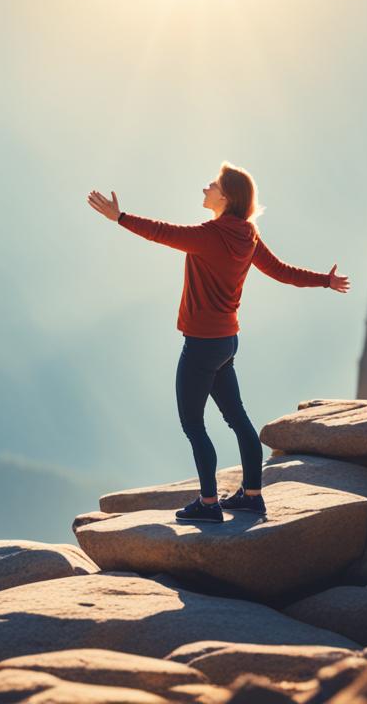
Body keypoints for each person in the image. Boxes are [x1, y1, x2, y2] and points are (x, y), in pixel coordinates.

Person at [86, 162, 350, 524]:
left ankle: (209, 503)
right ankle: (252, 497)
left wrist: (120, 217)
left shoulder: (210, 235)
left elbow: (161, 232)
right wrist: (324, 280)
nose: (204, 188)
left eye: (211, 185)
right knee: (238, 418)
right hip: (226, 342)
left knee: (193, 424)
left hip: (201, 345)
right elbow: (282, 272)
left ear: (225, 196)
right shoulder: (248, 234)